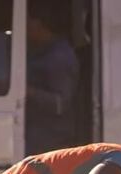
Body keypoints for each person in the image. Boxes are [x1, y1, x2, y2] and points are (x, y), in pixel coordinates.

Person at [25, 0, 79, 155]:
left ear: (38, 23)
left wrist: (29, 91)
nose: (25, 28)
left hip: (51, 139)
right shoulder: (40, 52)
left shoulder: (59, 57)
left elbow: (60, 104)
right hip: (37, 133)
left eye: (28, 22)